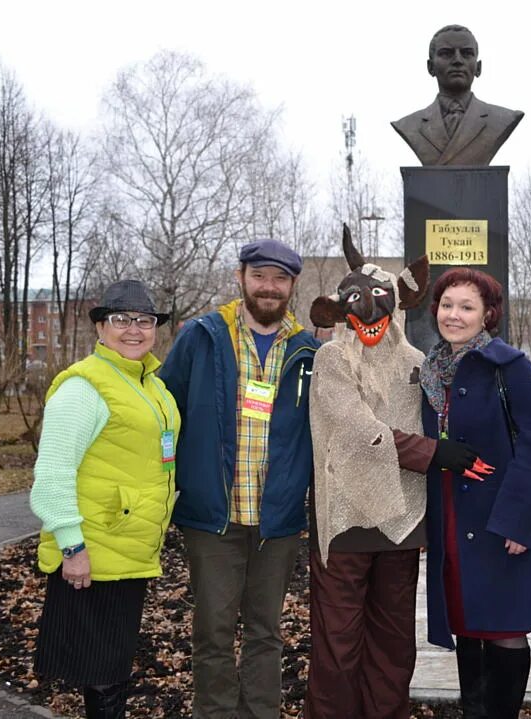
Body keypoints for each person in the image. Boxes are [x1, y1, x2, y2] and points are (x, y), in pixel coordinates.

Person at [302, 225, 466, 718]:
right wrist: (433, 453)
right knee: (337, 644)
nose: (369, 309)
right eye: (357, 298)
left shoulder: (417, 361)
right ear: (341, 306)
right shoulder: (332, 359)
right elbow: (355, 428)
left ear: (398, 302)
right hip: (346, 521)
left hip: (401, 518)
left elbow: (446, 408)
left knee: (394, 643)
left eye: (379, 297)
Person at [159, 239, 319, 719]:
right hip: (214, 517)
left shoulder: (308, 350)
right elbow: (168, 411)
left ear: (292, 286)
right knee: (213, 629)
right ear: (241, 278)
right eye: (260, 276)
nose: (269, 287)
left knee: (266, 632)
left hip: (278, 519)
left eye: (280, 279)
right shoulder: (203, 337)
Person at [30, 279, 179, 719]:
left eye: (144, 321)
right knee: (103, 672)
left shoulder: (150, 384)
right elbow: (53, 473)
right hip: (94, 552)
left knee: (111, 665)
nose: (133, 329)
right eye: (120, 320)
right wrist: (71, 547)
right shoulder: (85, 387)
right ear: (100, 328)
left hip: (127, 547)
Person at [419, 267, 531, 719]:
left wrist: (521, 520)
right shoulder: (429, 368)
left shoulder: (509, 365)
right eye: (447, 304)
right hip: (452, 518)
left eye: (466, 307)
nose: (453, 315)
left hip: (501, 518)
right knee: (467, 623)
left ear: (487, 315)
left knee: (505, 628)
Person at [392, 24, 524, 166]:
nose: (457, 60)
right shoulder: (410, 125)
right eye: (446, 53)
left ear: (478, 68)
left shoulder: (502, 119)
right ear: (430, 67)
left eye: (466, 53)